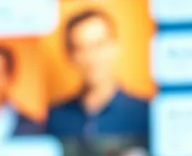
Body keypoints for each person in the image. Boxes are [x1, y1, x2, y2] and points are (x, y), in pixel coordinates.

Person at [46, 10, 150, 141]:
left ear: (114, 47)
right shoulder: (55, 118)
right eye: (81, 48)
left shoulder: (145, 113)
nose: (91, 57)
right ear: (70, 55)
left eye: (98, 45)